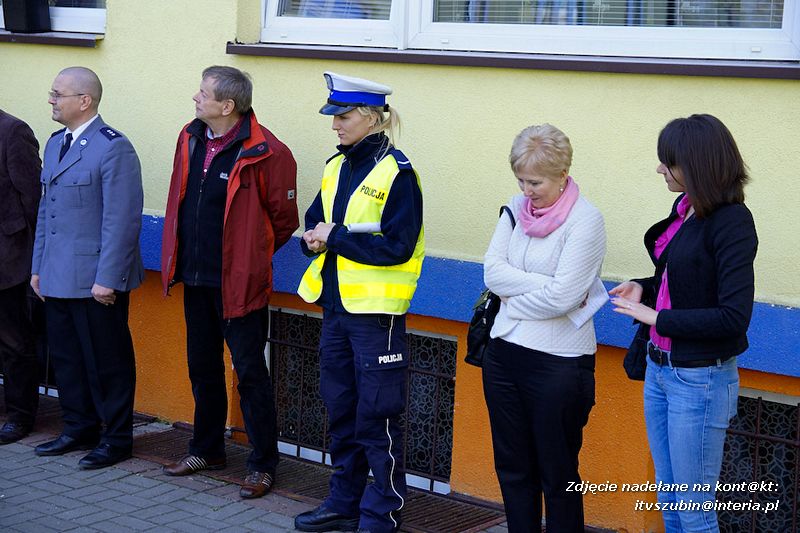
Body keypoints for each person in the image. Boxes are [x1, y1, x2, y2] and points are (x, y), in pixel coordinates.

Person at [610, 114, 758, 532]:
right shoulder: (687, 211)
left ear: (696, 165)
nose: (660, 169)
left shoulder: (732, 222)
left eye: (668, 162)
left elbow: (733, 317)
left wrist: (658, 317)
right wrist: (642, 287)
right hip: (660, 369)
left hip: (699, 380)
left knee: (694, 511)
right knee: (671, 500)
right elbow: (681, 281)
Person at [160, 66, 298, 500]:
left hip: (239, 284)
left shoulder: (269, 151)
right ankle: (206, 450)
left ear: (227, 105)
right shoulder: (190, 137)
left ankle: (262, 464)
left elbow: (283, 221)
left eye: (203, 93)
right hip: (195, 277)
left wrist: (248, 259)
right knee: (202, 366)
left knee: (251, 373)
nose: (195, 98)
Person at [294, 72, 424, 533]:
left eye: (343, 117)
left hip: (376, 318)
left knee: (378, 418)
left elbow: (398, 247)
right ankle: (343, 503)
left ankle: (382, 513)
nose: (335, 125)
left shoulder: (397, 172)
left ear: (371, 118)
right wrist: (312, 239)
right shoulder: (337, 165)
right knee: (342, 412)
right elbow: (317, 220)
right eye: (334, 116)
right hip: (335, 309)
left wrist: (337, 238)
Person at [482, 124, 606, 533]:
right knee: (513, 467)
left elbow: (564, 297)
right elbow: (492, 273)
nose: (526, 190)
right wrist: (544, 286)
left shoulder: (586, 221)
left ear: (562, 175)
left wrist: (513, 302)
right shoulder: (514, 208)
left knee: (558, 473)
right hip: (503, 356)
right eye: (520, 180)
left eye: (535, 182)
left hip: (558, 365)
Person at [31, 67, 144, 469]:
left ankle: (116, 439)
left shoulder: (113, 147)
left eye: (57, 94)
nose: (51, 100)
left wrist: (108, 279)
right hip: (58, 273)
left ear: (85, 100)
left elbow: (122, 220)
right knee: (66, 359)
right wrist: (38, 267)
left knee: (107, 362)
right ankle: (79, 427)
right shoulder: (55, 143)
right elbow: (46, 211)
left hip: (96, 279)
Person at [0, 109, 42, 444]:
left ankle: (20, 415)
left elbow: (32, 197)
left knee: (14, 341)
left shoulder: (13, 130)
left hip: (7, 256)